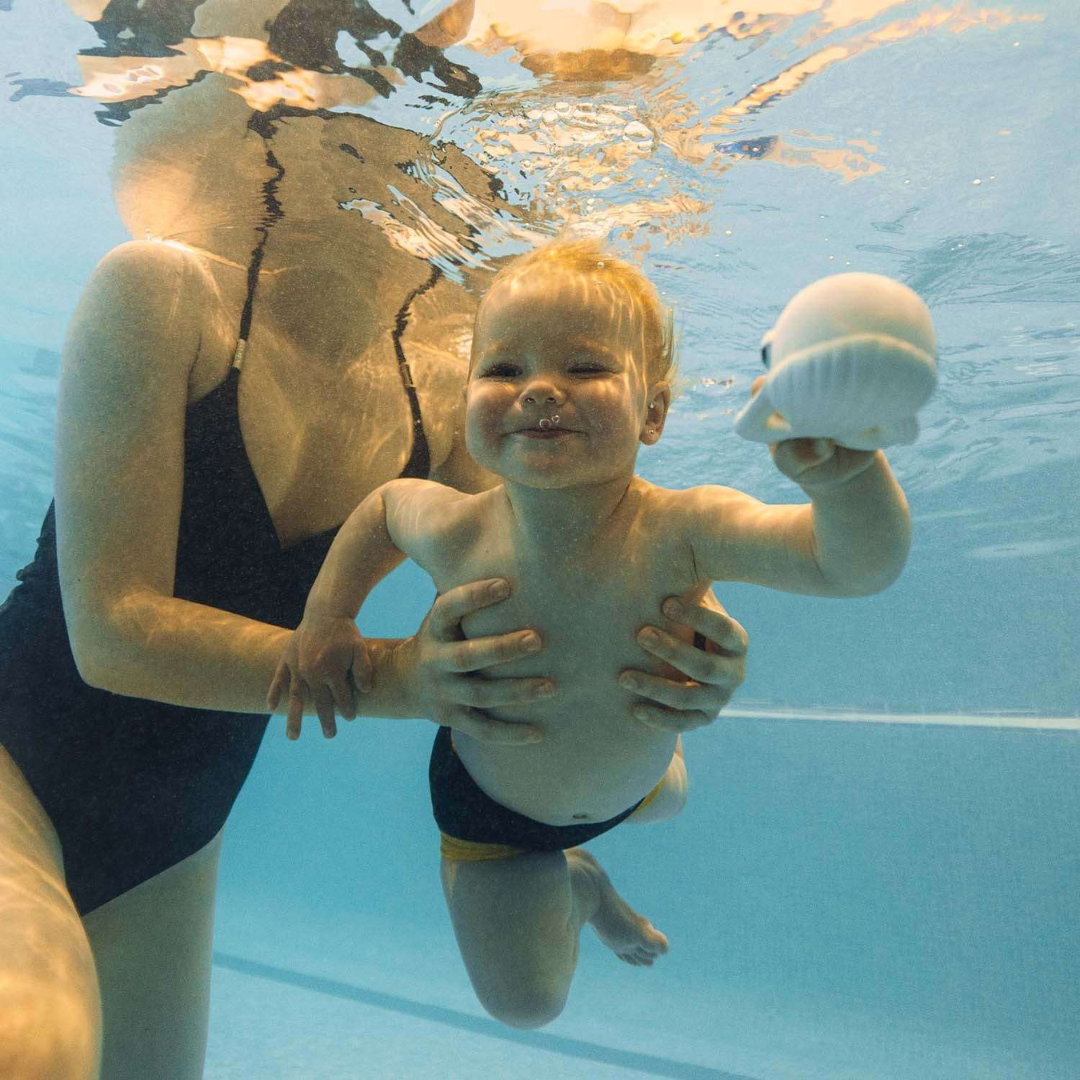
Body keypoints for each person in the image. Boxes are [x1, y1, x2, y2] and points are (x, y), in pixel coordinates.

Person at [0, 71, 749, 1080]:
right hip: (17, 765)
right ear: (273, 131)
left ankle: (567, 867)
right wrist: (408, 678)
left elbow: (531, 630)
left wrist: (675, 655)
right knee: (31, 1046)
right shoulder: (161, 289)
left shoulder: (448, 389)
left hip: (177, 837)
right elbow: (114, 632)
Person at [269, 238, 913, 1030]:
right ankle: (580, 884)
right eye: (503, 369)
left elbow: (849, 566)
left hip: (634, 783)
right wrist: (327, 618)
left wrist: (846, 476)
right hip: (492, 814)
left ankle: (613, 824)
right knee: (527, 1005)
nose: (539, 389)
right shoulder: (456, 525)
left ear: (654, 412)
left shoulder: (688, 526)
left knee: (665, 796)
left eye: (584, 368)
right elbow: (380, 511)